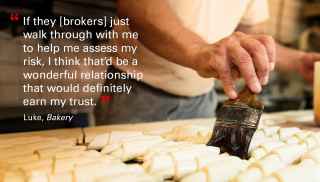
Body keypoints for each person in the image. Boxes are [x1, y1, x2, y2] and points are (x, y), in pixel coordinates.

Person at [95, 0, 320, 124]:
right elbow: (137, 7)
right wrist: (199, 51)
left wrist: (298, 61)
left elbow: (249, 39)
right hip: (137, 92)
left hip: (202, 101)